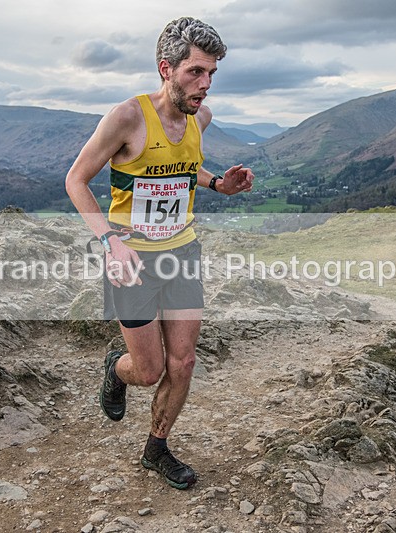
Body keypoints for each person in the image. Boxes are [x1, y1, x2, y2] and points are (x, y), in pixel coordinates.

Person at [65, 17, 254, 490]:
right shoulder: (127, 117)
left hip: (182, 253)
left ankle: (157, 448)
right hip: (131, 261)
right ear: (166, 68)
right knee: (148, 372)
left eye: (211, 73)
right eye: (195, 72)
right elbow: (76, 180)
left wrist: (217, 184)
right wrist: (109, 240)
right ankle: (116, 368)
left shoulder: (199, 118)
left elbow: (184, 169)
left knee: (183, 363)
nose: (205, 85)